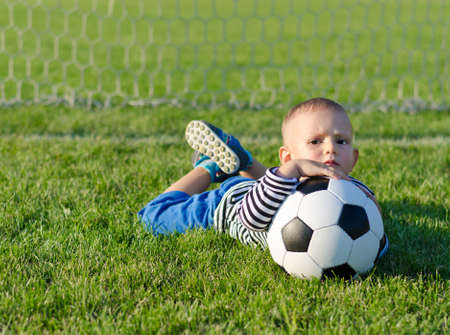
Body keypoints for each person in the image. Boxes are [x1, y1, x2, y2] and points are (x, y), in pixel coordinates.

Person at [138, 97, 388, 257]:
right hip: (230, 205)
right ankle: (209, 167)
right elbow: (250, 219)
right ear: (288, 158)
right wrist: (294, 170)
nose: (331, 148)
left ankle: (244, 161)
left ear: (354, 158)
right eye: (315, 141)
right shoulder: (287, 174)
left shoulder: (354, 194)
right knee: (153, 217)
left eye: (341, 141)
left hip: (266, 186)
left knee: (275, 186)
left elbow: (378, 245)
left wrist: (375, 215)